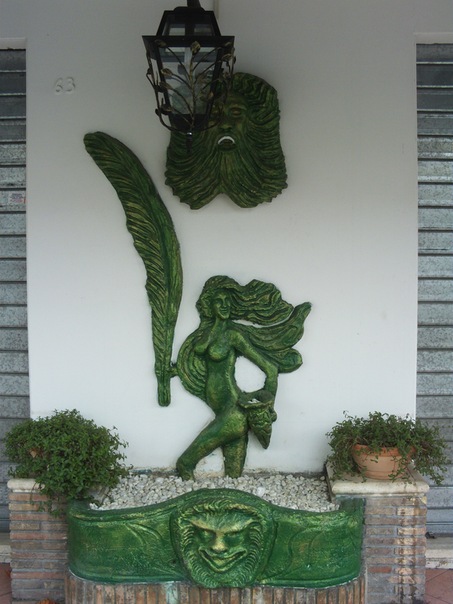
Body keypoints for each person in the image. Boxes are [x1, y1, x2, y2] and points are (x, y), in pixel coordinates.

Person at [176, 276, 311, 479]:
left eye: (227, 301)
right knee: (234, 475)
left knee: (185, 463)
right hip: (221, 407)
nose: (224, 306)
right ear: (210, 305)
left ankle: (189, 482)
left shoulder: (233, 336)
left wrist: (268, 407)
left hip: (233, 410)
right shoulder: (208, 333)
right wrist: (175, 371)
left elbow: (270, 369)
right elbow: (200, 353)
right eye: (218, 301)